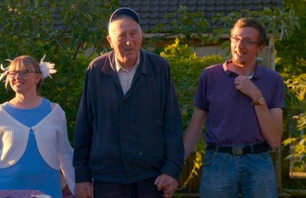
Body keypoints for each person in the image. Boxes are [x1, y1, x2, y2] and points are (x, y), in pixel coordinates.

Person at [73, 7, 184, 198]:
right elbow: (84, 125)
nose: (129, 41)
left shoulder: (159, 68)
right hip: (107, 179)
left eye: (134, 34)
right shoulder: (97, 70)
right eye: (121, 35)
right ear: (110, 41)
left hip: (152, 178)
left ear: (141, 35)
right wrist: (81, 176)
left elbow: (172, 124)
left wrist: (172, 171)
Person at [183, 18, 284, 197]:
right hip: (218, 162)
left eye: (247, 41)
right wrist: (171, 169)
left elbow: (275, 139)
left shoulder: (273, 80)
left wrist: (256, 96)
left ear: (260, 48)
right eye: (236, 38)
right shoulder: (210, 76)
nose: (239, 45)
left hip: (258, 162)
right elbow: (194, 129)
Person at [0, 55, 75, 198]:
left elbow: (66, 154)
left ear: (38, 77)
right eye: (13, 73)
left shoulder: (55, 112)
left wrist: (77, 187)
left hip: (49, 189)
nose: (17, 77)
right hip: (8, 192)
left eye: (24, 72)